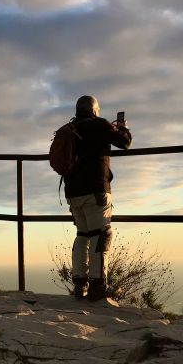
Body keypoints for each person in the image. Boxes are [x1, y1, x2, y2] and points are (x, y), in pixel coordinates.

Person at [65, 95, 132, 301]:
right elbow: (125, 143)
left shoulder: (70, 128)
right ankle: (97, 285)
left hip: (72, 192)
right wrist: (122, 128)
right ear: (94, 110)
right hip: (95, 189)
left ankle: (79, 283)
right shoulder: (99, 125)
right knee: (101, 235)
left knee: (82, 234)